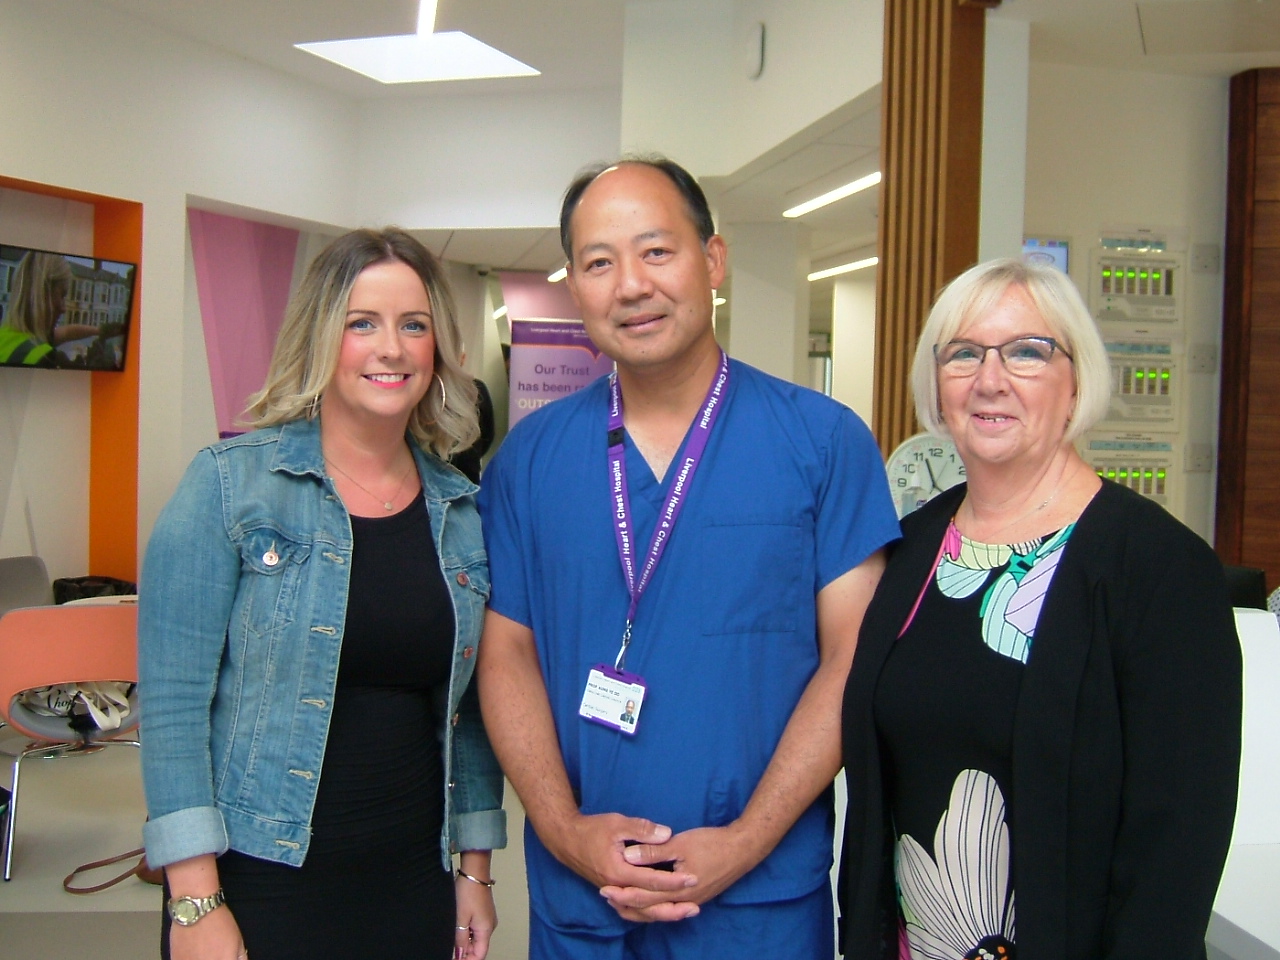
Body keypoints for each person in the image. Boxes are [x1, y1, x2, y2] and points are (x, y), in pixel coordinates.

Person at [477, 156, 900, 959]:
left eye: (656, 251)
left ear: (713, 259)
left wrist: (745, 840)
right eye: (598, 263)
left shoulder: (821, 443)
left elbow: (853, 658)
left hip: (758, 906)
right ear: (575, 289)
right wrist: (565, 832)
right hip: (586, 900)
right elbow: (506, 653)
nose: (631, 285)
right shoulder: (530, 461)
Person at [839, 258, 1241, 960]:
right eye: (964, 353)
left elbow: (1177, 849)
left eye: (1026, 352)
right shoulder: (913, 547)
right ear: (937, 382)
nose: (990, 379)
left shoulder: (1159, 566)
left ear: (1076, 379)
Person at [138, 228, 506, 960]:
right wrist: (195, 900)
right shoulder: (228, 485)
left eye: (414, 325)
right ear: (319, 336)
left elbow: (468, 715)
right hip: (260, 873)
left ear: (437, 349)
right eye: (362, 323)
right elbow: (173, 706)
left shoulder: (463, 512)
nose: (391, 349)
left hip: (412, 875)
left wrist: (475, 870)